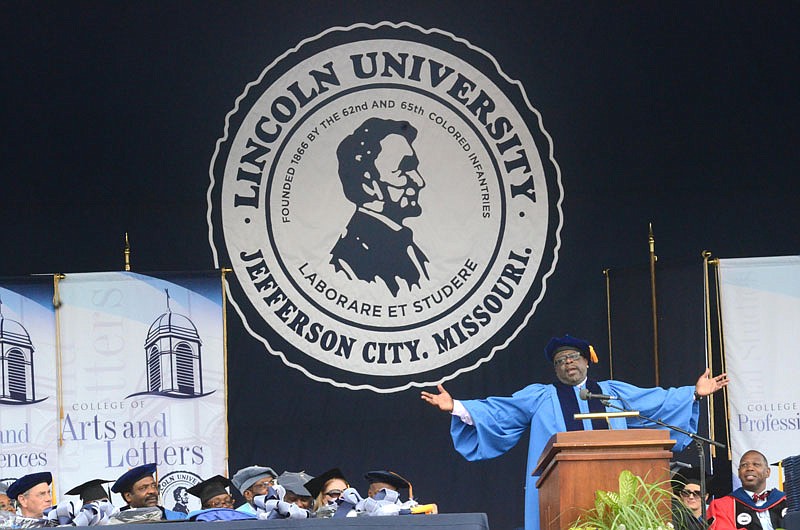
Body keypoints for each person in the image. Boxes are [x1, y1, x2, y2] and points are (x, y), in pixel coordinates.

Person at [420, 334, 730, 530]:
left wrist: (694, 393)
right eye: (560, 361)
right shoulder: (540, 396)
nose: (567, 363)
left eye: (573, 358)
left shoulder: (611, 393)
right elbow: (501, 410)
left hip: (620, 493)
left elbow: (654, 401)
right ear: (555, 369)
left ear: (586, 361)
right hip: (559, 495)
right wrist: (457, 406)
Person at [330, 117, 429, 296]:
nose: (420, 182)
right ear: (368, 184)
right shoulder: (349, 261)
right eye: (404, 170)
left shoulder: (405, 243)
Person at [707, 450, 787, 530]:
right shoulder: (721, 506)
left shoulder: (787, 501)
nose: (749, 468)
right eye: (744, 465)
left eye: (756, 464)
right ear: (739, 473)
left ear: (767, 472)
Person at [110, 463, 186, 520]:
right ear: (128, 496)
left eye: (154, 486)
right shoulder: (116, 521)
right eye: (143, 488)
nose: (152, 491)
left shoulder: (177, 518)